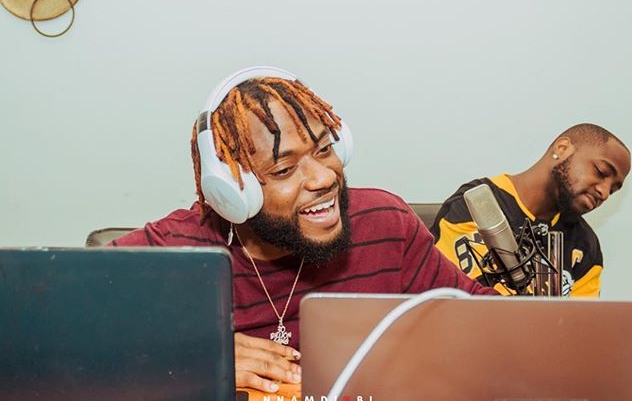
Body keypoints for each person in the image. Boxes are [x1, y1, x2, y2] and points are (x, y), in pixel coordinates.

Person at [110, 66, 496, 393]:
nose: (323, 178)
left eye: (324, 149)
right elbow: (73, 335)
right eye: (284, 169)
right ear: (232, 192)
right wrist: (191, 356)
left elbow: (492, 325)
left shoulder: (385, 224)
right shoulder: (174, 253)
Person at [432, 123, 631, 297]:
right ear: (562, 148)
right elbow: (455, 297)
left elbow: (580, 323)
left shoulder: (585, 246)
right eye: (601, 172)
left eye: (613, 190)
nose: (604, 192)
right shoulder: (478, 203)